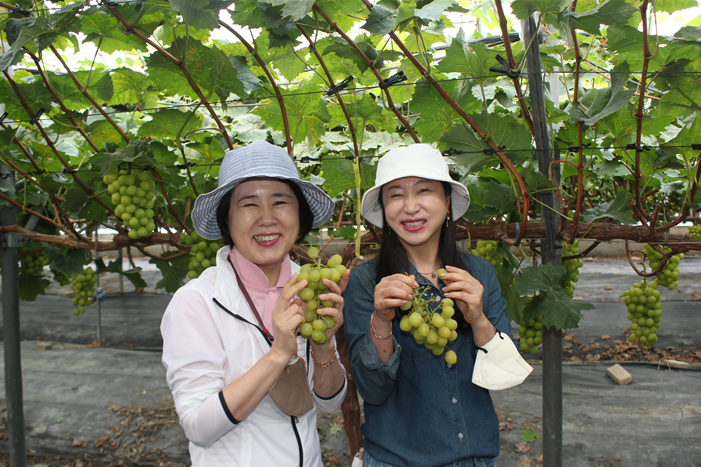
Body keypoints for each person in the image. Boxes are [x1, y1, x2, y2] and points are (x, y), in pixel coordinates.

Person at [161, 141, 348, 467]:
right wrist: (277, 354)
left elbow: (330, 403)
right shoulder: (197, 302)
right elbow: (198, 426)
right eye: (249, 204)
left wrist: (324, 346)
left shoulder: (308, 289)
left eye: (280, 202)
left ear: (299, 214)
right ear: (227, 219)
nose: (267, 218)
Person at [343, 144, 512, 467]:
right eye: (395, 195)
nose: (410, 207)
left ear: (447, 201)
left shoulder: (479, 275)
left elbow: (503, 374)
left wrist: (478, 320)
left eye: (424, 191)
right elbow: (373, 391)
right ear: (384, 210)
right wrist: (381, 320)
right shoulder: (367, 284)